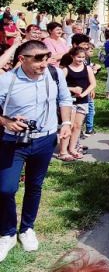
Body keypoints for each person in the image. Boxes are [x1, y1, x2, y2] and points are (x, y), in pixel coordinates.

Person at [0, 40, 73, 261]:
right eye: (38, 58)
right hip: (12, 141)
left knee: (34, 185)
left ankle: (27, 229)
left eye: (46, 56)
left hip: (44, 140)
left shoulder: (54, 73)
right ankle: (7, 233)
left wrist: (67, 123)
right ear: (22, 59)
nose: (44, 62)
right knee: (5, 189)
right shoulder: (7, 80)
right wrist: (5, 121)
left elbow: (64, 98)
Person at [56, 48, 96, 161]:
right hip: (69, 101)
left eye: (83, 57)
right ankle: (63, 150)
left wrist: (84, 94)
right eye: (79, 57)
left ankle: (72, 148)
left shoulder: (87, 68)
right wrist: (73, 89)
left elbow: (93, 83)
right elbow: (59, 86)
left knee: (78, 126)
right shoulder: (66, 69)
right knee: (69, 125)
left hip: (82, 100)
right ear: (72, 56)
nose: (81, 59)